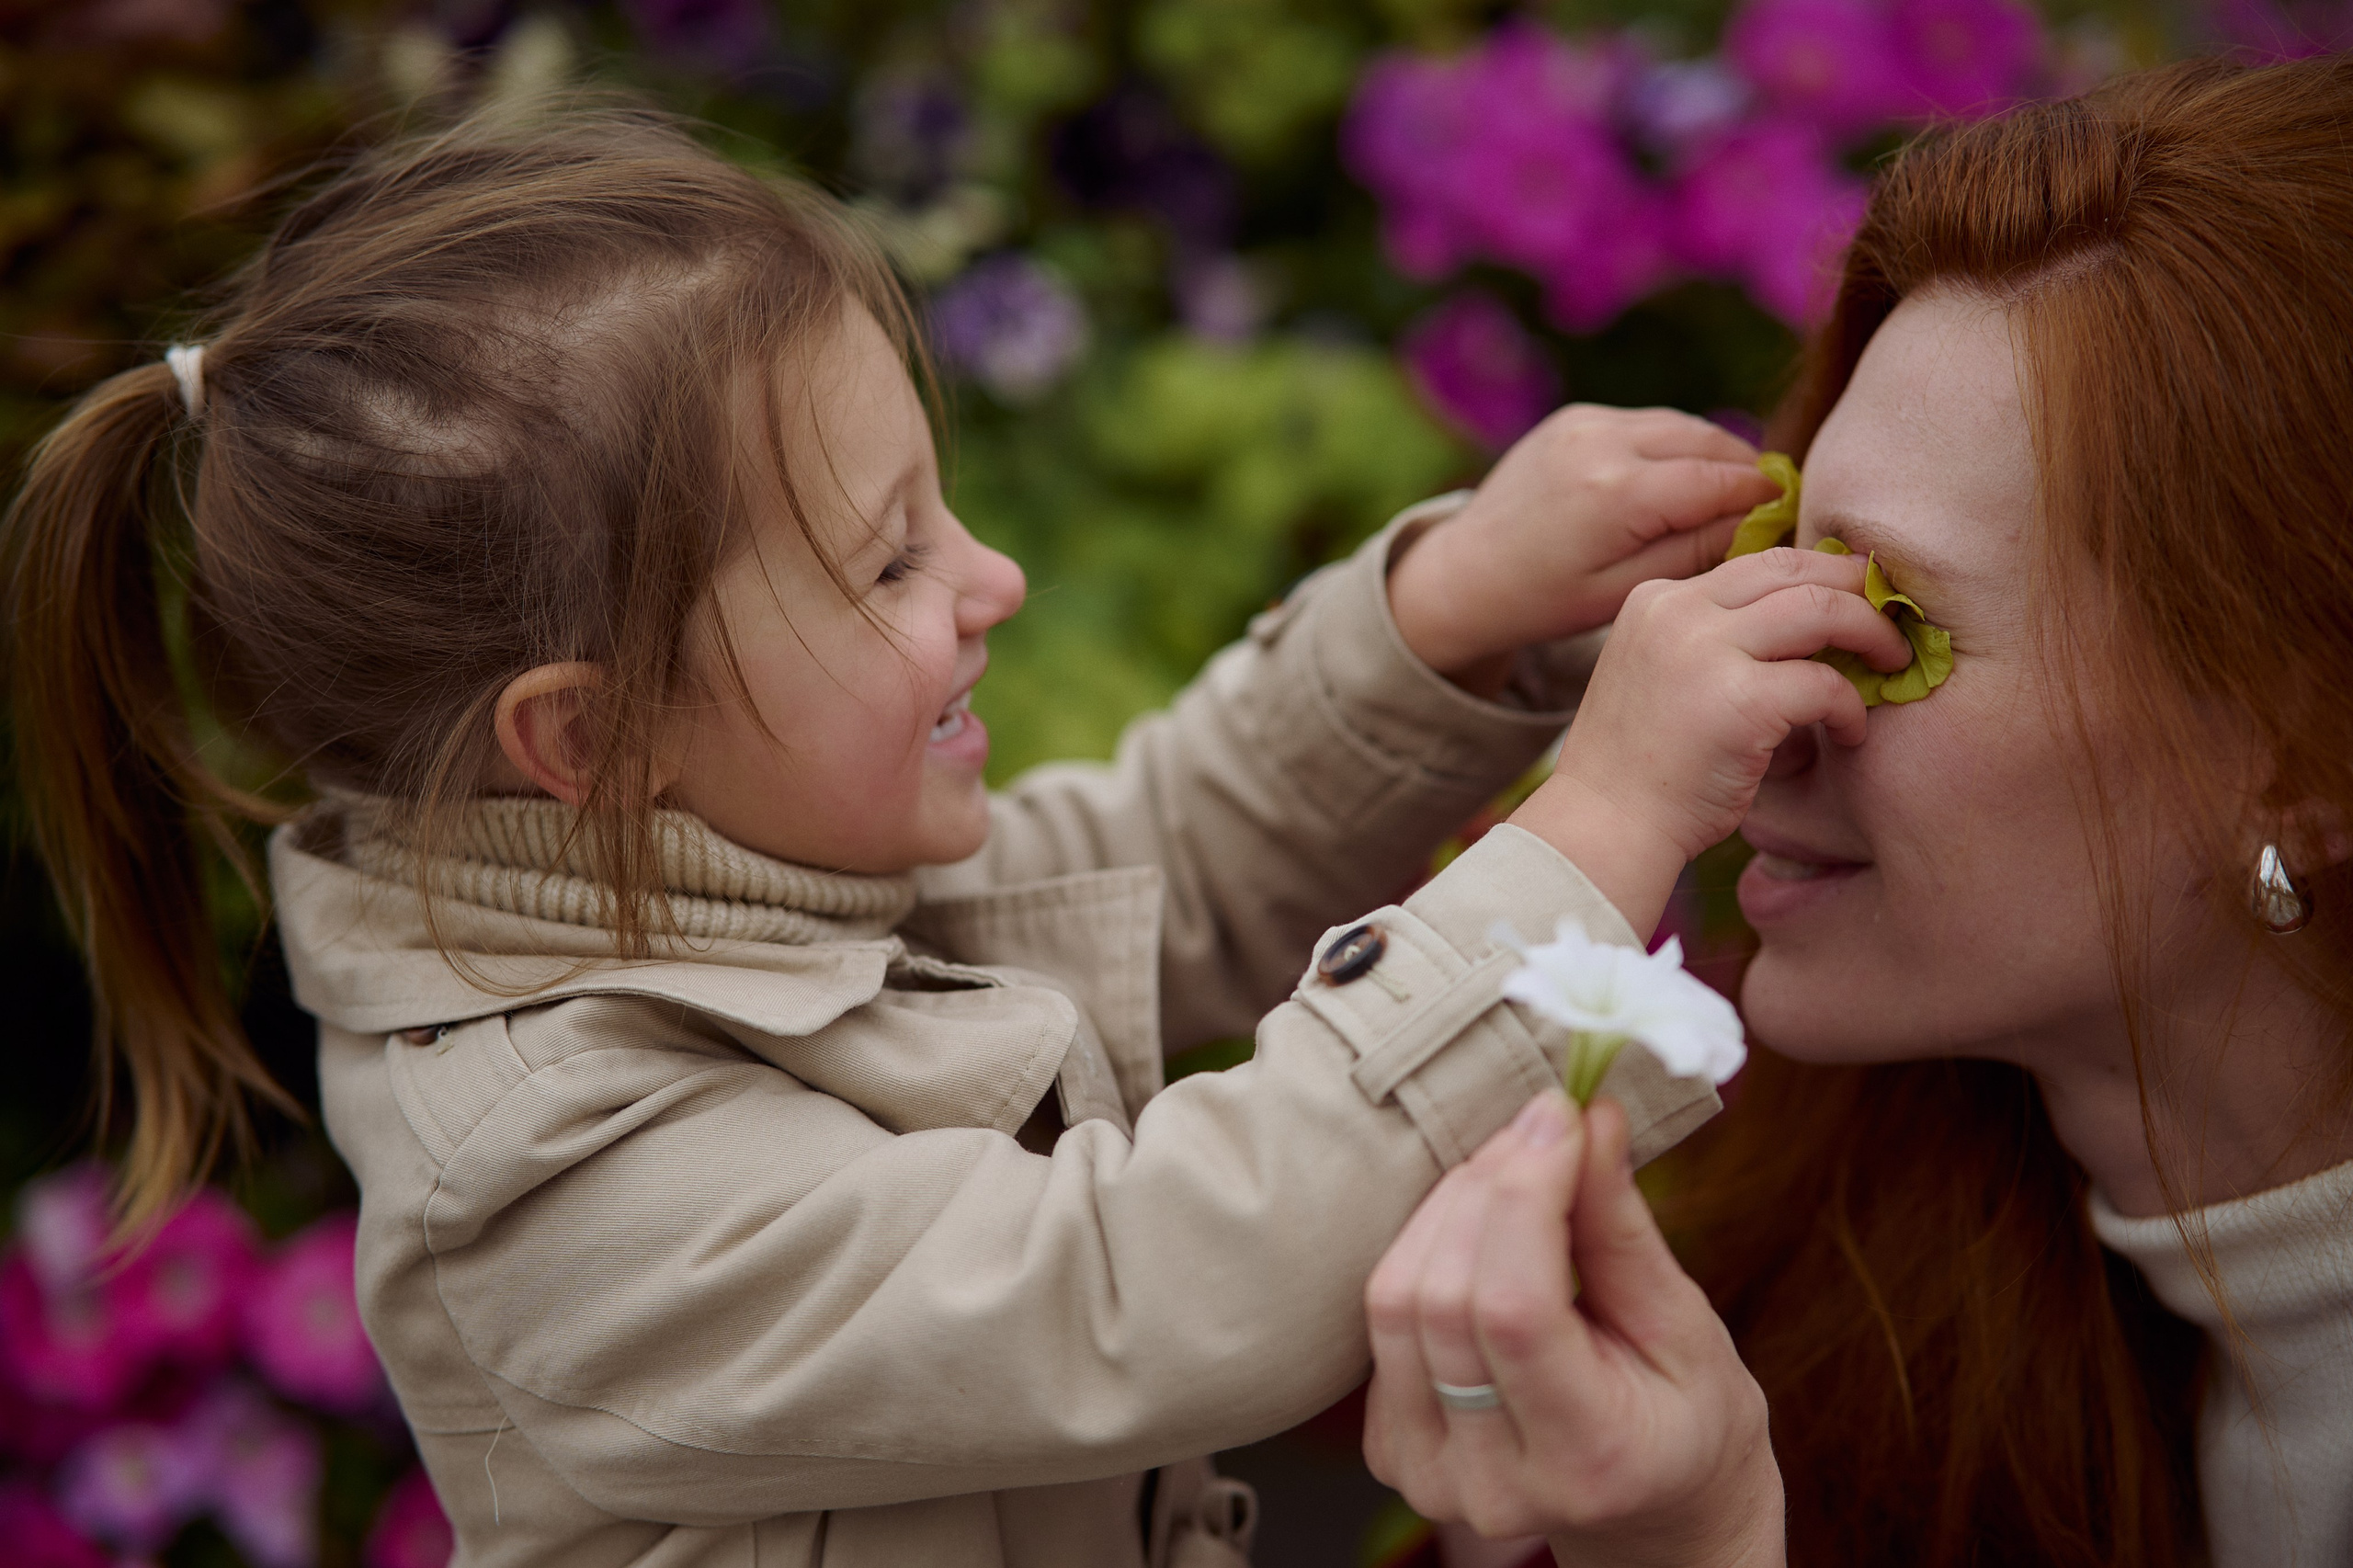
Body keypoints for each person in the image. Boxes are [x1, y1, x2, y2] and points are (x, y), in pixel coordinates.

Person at [0, 104, 1899, 1565]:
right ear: (593, 737)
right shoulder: (563, 1177)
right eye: (887, 559)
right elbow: (1145, 1282)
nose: (989, 579)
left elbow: (1157, 865)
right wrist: (1606, 817)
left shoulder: (732, 877)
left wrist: (1445, 615)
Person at [1358, 51, 2353, 1568]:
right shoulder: (1879, 1280)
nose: (1751, 716)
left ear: (2300, 754)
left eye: (1891, 622)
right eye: (1769, 565)